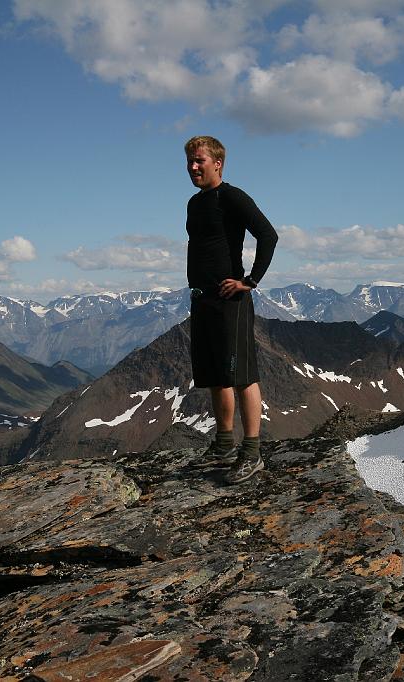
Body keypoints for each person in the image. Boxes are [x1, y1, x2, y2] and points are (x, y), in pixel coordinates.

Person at [184, 135, 278, 484]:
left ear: (217, 163)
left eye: (200, 161)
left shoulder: (232, 197)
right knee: (215, 375)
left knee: (242, 376)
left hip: (230, 302)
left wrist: (250, 280)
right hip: (203, 300)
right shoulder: (195, 204)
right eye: (190, 161)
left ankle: (251, 452)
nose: (194, 167)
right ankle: (224, 446)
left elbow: (268, 235)